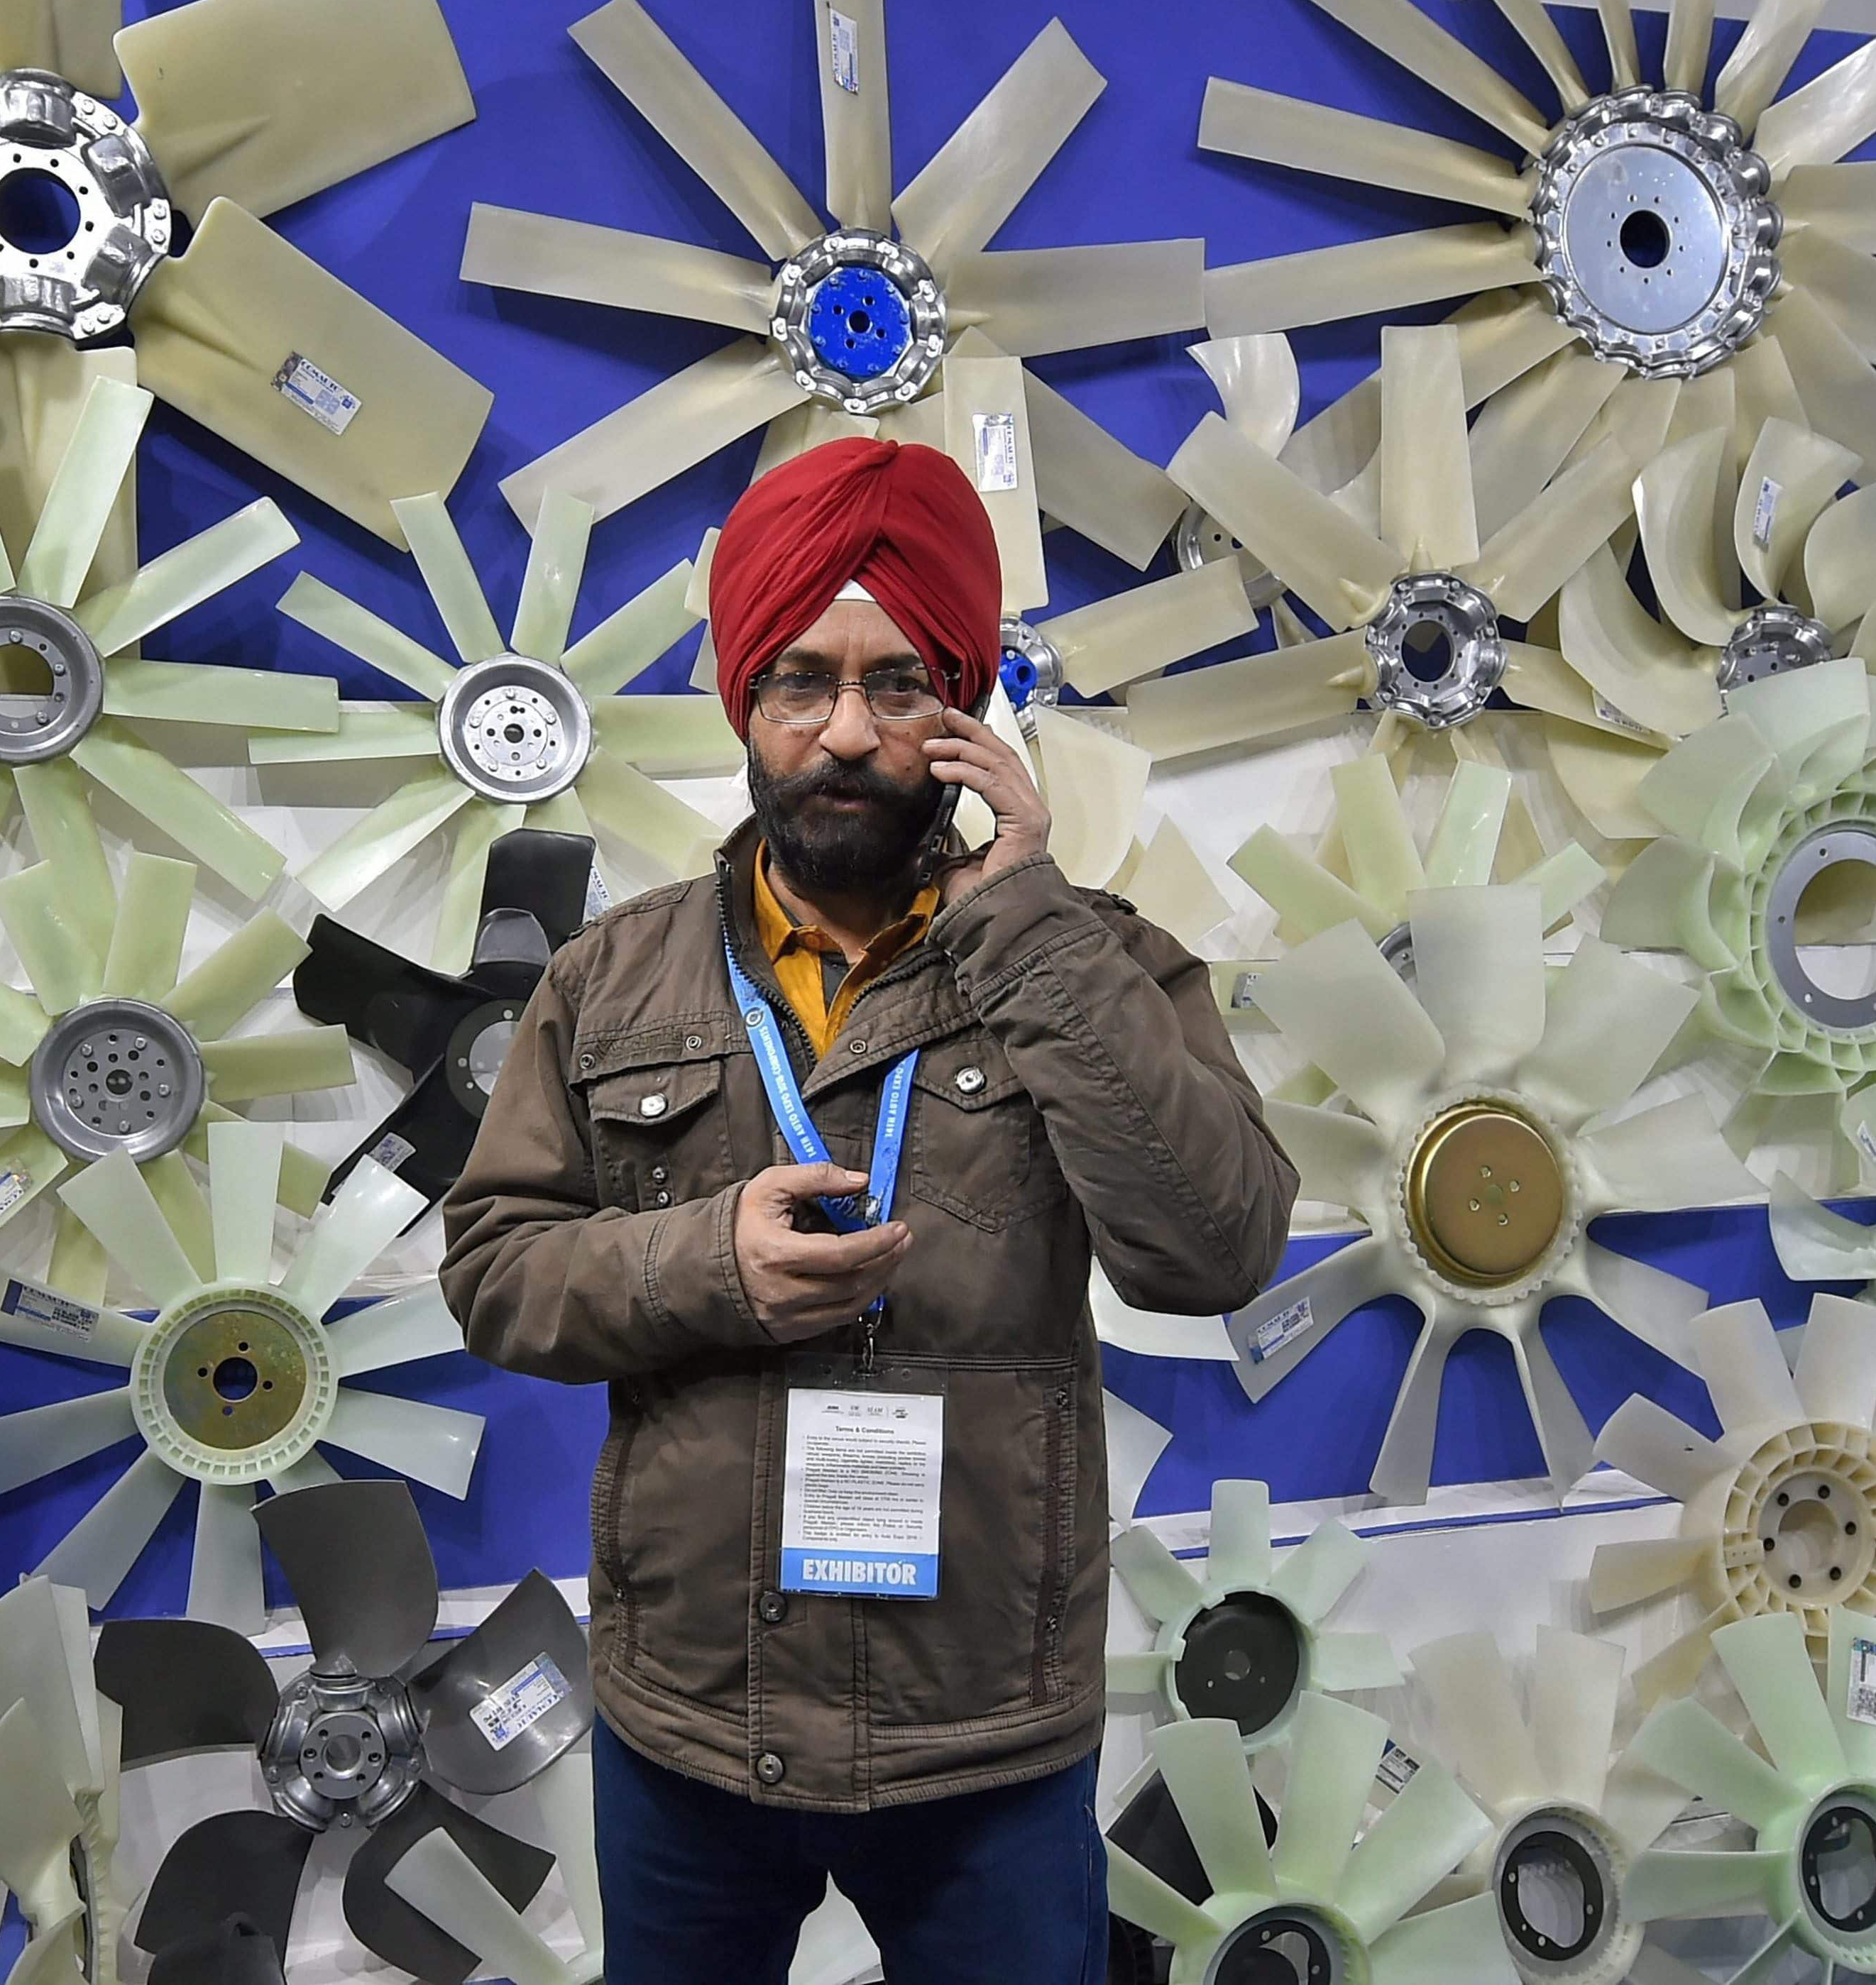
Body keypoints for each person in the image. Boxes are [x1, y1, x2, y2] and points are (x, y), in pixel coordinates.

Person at [440, 432, 1298, 1984]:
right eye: (799, 680)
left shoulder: (1095, 960)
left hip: (987, 1729)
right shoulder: (608, 978)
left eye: (897, 682)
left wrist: (1028, 924)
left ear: (962, 704)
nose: (846, 729)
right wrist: (704, 1262)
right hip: (691, 1722)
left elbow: (1217, 1247)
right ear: (742, 706)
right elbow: (495, 1270)